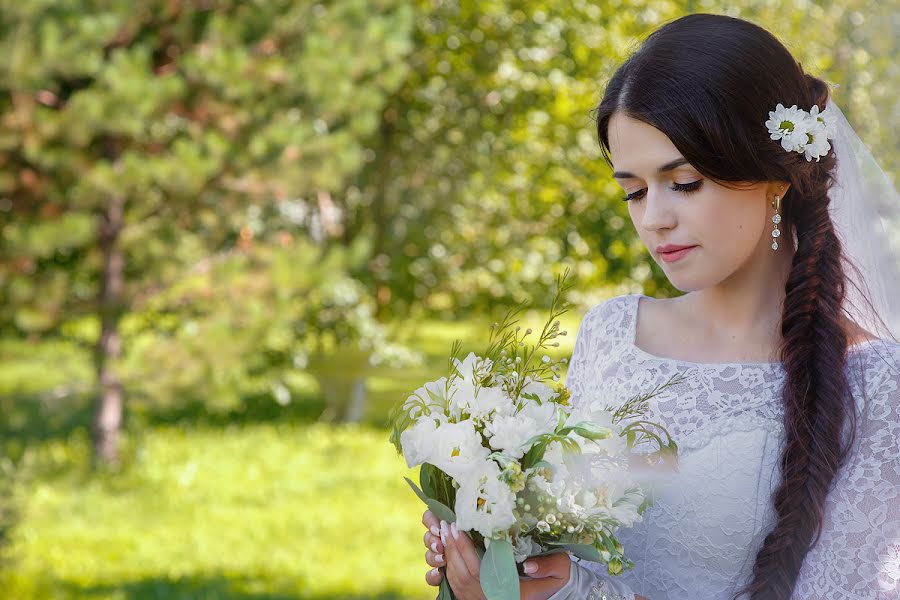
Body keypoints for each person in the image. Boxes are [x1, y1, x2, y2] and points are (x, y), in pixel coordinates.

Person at [419, 12, 900, 600]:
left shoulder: (875, 382)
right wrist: (489, 548)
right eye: (635, 190)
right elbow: (566, 548)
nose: (654, 219)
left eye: (685, 182)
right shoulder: (612, 334)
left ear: (775, 178)